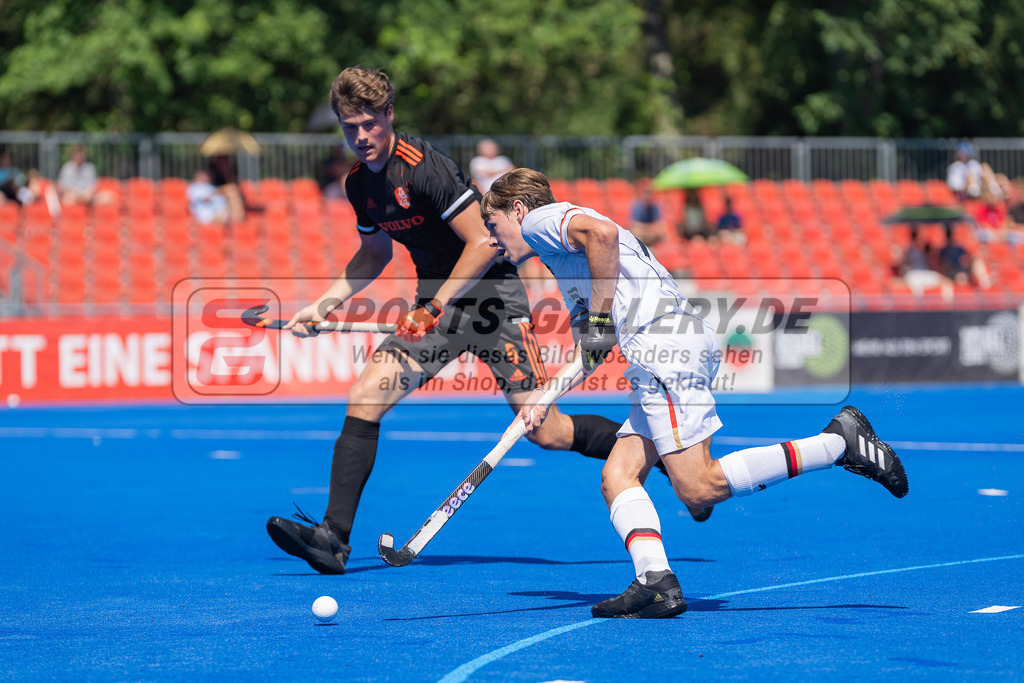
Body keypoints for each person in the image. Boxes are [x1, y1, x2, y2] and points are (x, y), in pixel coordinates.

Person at [264, 66, 682, 576]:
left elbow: (484, 243)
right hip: (435, 308)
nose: (362, 136)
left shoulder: (424, 167)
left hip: (493, 304)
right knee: (365, 396)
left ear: (389, 114)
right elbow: (373, 254)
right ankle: (333, 539)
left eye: (370, 123)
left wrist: (435, 305)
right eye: (351, 127)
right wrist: (325, 304)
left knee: (546, 431)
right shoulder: (359, 184)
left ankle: (659, 454)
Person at [481, 168, 909, 619]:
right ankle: (655, 580)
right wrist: (545, 395)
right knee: (618, 475)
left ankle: (837, 443)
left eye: (493, 225)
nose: (493, 239)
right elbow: (594, 347)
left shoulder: (540, 221)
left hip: (661, 347)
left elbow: (603, 236)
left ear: (518, 210)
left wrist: (602, 321)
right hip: (665, 347)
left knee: (698, 487)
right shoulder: (561, 258)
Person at [894, 226, 953, 301]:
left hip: (926, 273)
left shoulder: (926, 250)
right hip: (914, 275)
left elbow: (934, 262)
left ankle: (949, 304)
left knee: (946, 282)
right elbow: (903, 265)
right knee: (917, 289)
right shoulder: (909, 251)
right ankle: (919, 306)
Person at [206, 154, 247, 222]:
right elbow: (211, 188)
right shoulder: (211, 171)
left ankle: (237, 218)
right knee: (231, 191)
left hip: (227, 196)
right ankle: (236, 218)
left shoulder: (230, 169)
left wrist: (227, 172)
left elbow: (235, 184)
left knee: (232, 190)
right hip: (217, 195)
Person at [626, 179, 665, 247]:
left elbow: (659, 224)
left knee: (662, 233)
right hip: (642, 231)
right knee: (636, 232)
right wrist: (649, 229)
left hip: (649, 232)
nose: (648, 197)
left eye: (650, 193)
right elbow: (634, 225)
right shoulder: (637, 205)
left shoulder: (656, 206)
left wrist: (651, 230)